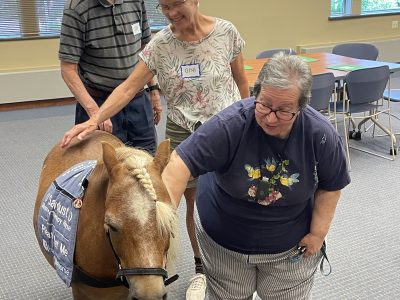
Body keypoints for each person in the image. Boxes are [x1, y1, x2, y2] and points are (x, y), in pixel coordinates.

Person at [60, 0, 249, 298]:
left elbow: (242, 82)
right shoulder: (160, 44)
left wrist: (246, 122)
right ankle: (199, 268)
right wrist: (95, 118)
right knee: (182, 205)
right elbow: (127, 88)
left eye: (177, 4)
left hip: (226, 130)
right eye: (163, 7)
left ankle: (239, 267)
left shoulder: (227, 32)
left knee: (234, 195)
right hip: (183, 133)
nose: (171, 13)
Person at [160, 53, 351, 299]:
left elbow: (331, 186)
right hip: (224, 239)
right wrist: (162, 226)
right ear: (255, 94)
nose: (271, 117)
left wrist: (317, 234)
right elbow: (179, 164)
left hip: (289, 245)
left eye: (284, 111)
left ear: (301, 108)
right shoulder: (230, 124)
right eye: (264, 105)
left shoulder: (320, 135)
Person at [59, 0, 161, 154]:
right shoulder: (77, 8)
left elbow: (145, 49)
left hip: (138, 101)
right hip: (99, 102)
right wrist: (96, 114)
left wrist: (153, 90)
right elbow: (67, 69)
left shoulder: (136, 2)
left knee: (146, 162)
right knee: (102, 169)